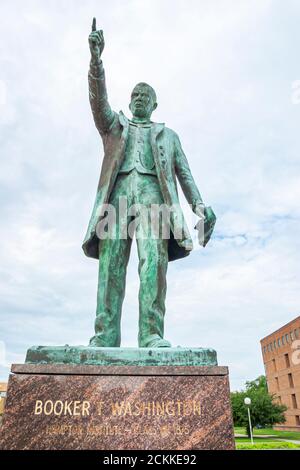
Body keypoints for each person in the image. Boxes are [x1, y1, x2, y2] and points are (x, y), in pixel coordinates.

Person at [83, 18, 216, 348]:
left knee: (153, 266)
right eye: (134, 94)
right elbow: (98, 103)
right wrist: (96, 61)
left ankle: (151, 334)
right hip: (117, 201)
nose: (139, 97)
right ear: (129, 103)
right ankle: (105, 336)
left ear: (154, 104)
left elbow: (185, 175)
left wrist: (200, 208)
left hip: (155, 202)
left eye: (145, 94)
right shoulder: (115, 127)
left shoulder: (168, 136)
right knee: (110, 269)